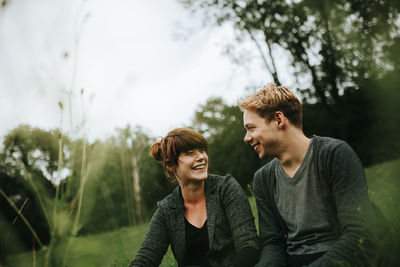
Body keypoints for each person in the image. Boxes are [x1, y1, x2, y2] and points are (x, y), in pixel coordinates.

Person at [239, 83, 377, 266]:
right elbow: (273, 244)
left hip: (340, 258)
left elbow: (358, 235)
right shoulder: (263, 179)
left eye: (251, 128)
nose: (246, 137)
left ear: (279, 119)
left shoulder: (334, 154)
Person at [130, 128, 259, 267]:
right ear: (170, 165)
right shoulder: (166, 210)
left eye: (202, 150)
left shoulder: (225, 188)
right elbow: (146, 257)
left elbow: (248, 242)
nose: (201, 157)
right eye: (190, 153)